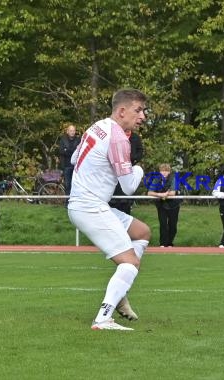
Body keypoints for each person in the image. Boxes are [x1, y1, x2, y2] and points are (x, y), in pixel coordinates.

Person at [68, 88, 151, 330]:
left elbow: (74, 159)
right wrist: (139, 169)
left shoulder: (98, 126)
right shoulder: (117, 138)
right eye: (139, 110)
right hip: (90, 207)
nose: (143, 116)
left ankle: (120, 292)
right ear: (122, 111)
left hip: (86, 204)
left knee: (142, 232)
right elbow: (128, 188)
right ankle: (104, 317)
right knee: (131, 262)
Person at [109, 130, 144, 214]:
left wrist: (133, 158)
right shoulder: (116, 136)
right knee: (116, 186)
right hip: (117, 166)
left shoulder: (136, 137)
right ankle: (113, 203)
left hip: (130, 166)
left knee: (127, 187)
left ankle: (127, 203)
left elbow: (140, 151)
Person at [147, 163, 182, 247]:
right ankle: (163, 243)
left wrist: (164, 194)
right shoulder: (156, 179)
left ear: (169, 172)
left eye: (166, 171)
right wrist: (161, 195)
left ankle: (170, 242)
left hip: (174, 204)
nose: (164, 173)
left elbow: (173, 193)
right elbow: (149, 192)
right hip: (161, 204)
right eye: (162, 171)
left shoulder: (174, 179)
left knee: (173, 225)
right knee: (163, 224)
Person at [59, 124, 81, 196]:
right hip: (66, 166)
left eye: (73, 130)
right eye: (71, 130)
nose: (72, 132)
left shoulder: (78, 140)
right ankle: (67, 201)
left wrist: (67, 150)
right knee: (67, 184)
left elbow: (80, 152)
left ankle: (75, 201)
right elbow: (61, 151)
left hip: (76, 166)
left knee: (76, 184)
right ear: (67, 131)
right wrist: (72, 151)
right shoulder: (63, 140)